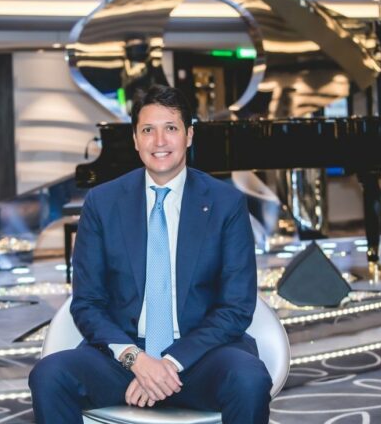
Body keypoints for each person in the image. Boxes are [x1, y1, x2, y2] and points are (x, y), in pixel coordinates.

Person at [29, 85, 271, 423]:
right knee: (49, 375)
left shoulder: (225, 203)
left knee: (249, 379)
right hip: (122, 358)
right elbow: (87, 302)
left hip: (201, 356)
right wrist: (137, 361)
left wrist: (168, 363)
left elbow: (236, 306)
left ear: (188, 135)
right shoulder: (102, 203)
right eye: (147, 130)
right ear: (135, 139)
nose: (159, 141)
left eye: (170, 128)